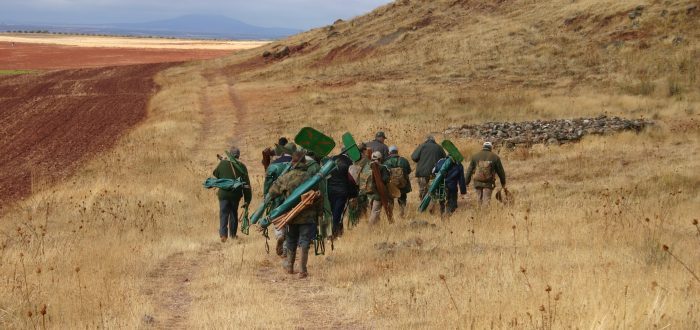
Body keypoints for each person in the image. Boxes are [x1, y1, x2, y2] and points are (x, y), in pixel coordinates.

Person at [267, 151, 322, 278]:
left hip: (290, 215)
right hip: (308, 215)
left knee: (291, 239)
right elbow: (319, 196)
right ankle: (302, 270)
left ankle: (290, 266)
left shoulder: (286, 177)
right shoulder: (311, 177)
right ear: (304, 163)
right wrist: (319, 213)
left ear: (293, 162)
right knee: (305, 241)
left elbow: (272, 192)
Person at [212, 147, 252, 242]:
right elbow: (246, 185)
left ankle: (223, 235)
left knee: (223, 213)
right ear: (238, 155)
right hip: (236, 194)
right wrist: (247, 200)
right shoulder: (242, 166)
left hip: (224, 193)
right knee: (233, 213)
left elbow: (216, 174)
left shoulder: (223, 163)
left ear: (229, 154)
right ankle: (233, 235)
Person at [465, 142, 506, 206]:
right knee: (486, 200)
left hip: (477, 182)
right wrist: (503, 183)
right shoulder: (495, 157)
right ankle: (485, 214)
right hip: (489, 182)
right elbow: (500, 172)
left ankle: (479, 214)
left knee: (479, 199)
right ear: (491, 148)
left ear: (483, 147)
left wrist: (466, 182)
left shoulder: (475, 156)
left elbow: (469, 170)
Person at [327, 151, 354, 237]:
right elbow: (351, 180)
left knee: (331, 211)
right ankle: (336, 232)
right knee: (338, 213)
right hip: (342, 192)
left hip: (330, 191)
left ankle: (330, 232)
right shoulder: (348, 163)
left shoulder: (330, 163)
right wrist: (353, 193)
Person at [411, 135, 446, 200]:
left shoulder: (422, 146)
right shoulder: (439, 147)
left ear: (426, 140)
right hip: (435, 173)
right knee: (434, 189)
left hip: (422, 173)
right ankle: (433, 205)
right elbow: (444, 160)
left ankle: (423, 206)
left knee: (423, 190)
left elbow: (414, 157)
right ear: (434, 140)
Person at [383, 145, 412, 217]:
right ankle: (402, 213)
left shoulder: (386, 162)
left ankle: (390, 215)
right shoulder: (404, 160)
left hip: (391, 185)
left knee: (390, 199)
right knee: (402, 199)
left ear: (389, 152)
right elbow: (409, 171)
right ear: (397, 151)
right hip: (403, 184)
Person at [365, 151, 391, 225]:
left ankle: (376, 228)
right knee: (375, 212)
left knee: (372, 211)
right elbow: (386, 179)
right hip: (378, 194)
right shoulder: (382, 167)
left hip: (368, 193)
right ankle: (370, 228)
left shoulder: (367, 167)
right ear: (380, 159)